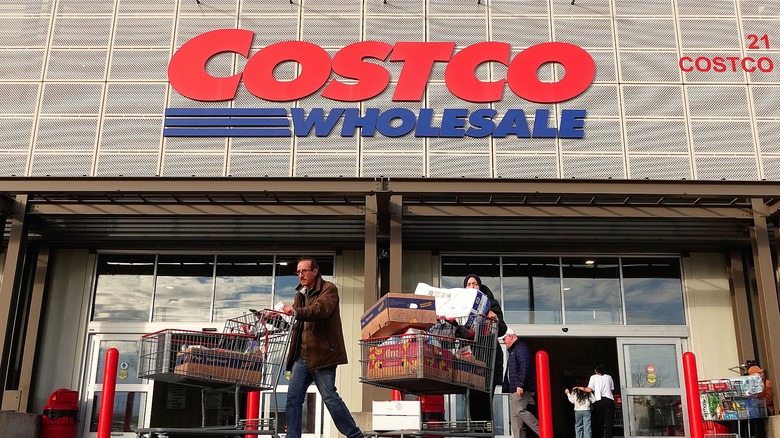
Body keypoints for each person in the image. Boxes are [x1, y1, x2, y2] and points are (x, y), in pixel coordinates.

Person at [281, 256, 363, 438]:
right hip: (301, 358)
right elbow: (298, 322)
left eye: (304, 271)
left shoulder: (329, 289)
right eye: (298, 272)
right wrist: (280, 320)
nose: (300, 275)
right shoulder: (300, 295)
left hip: (322, 355)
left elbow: (319, 310)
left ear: (315, 271)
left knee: (330, 398)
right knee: (293, 399)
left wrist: (296, 312)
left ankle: (354, 435)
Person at [463, 274, 508, 426]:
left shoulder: (491, 304)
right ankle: (477, 431)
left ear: (480, 287)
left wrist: (495, 319)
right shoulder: (461, 305)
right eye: (468, 284)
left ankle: (486, 431)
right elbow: (458, 331)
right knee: (472, 399)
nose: (471, 286)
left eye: (474, 284)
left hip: (489, 357)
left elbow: (502, 329)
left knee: (485, 399)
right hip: (471, 357)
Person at [502, 328, 540, 438]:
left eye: (504, 339)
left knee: (518, 411)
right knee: (515, 417)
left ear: (511, 336)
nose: (504, 342)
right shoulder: (514, 350)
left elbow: (525, 366)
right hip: (515, 388)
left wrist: (520, 384)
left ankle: (543, 432)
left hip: (520, 388)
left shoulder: (520, 348)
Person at [581, 365, 615, 438]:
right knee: (609, 422)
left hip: (599, 401)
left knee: (598, 422)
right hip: (609, 400)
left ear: (595, 371)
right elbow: (611, 390)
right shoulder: (609, 377)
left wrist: (579, 387)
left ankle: (599, 436)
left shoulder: (593, 377)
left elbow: (589, 389)